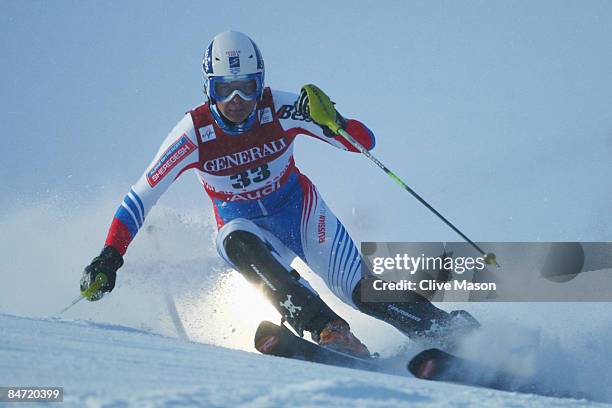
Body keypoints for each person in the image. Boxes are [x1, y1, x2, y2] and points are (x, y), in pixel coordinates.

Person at [80, 31, 478, 357]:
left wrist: (333, 120)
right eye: (224, 91)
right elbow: (140, 197)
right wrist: (110, 255)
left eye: (247, 89)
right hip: (245, 228)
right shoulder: (193, 133)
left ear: (261, 84)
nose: (237, 103)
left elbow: (363, 143)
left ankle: (446, 330)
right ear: (208, 89)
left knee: (360, 289)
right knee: (236, 241)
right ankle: (329, 331)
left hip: (300, 212)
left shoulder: (282, 107)